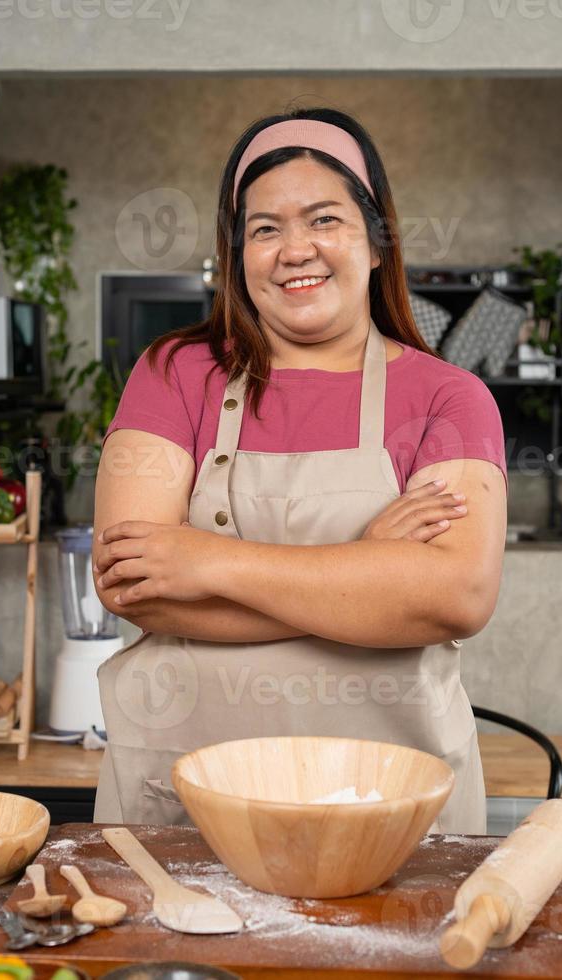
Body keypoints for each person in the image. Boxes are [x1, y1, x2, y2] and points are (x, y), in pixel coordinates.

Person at [91, 107, 507, 832]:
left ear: (377, 243)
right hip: (186, 809)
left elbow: (455, 596)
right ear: (237, 253)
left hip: (391, 815)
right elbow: (132, 580)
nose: (294, 250)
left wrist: (207, 560)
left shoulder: (447, 398)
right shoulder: (174, 374)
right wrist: (367, 573)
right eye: (264, 228)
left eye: (324, 220)